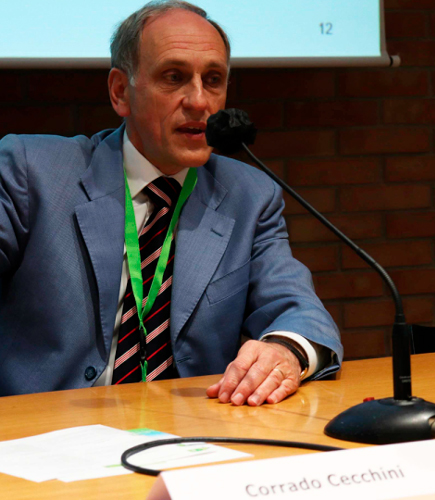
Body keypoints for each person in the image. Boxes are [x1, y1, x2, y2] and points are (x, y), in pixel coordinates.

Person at [0, 1, 342, 403]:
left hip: (190, 426)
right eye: (174, 77)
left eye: (213, 80)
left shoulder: (249, 196)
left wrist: (285, 350)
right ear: (120, 92)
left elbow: (299, 311)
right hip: (46, 427)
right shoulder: (32, 173)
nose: (199, 101)